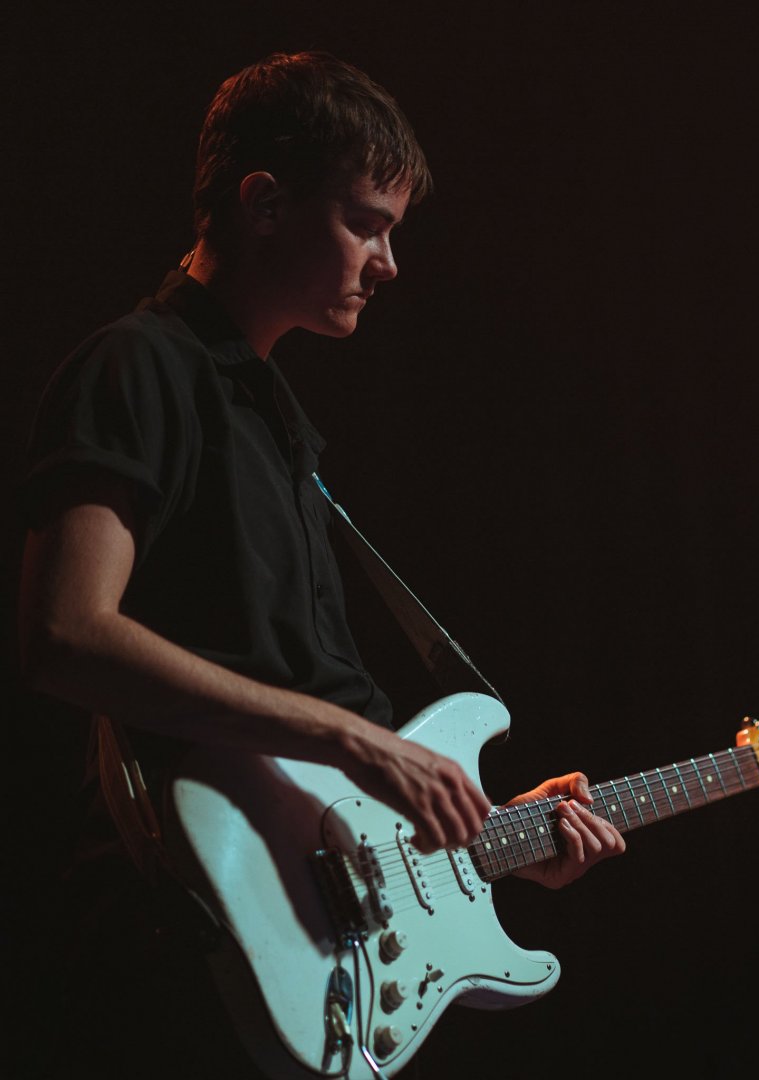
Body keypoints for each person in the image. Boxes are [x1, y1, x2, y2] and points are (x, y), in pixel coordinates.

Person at [15, 51, 626, 1079]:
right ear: (263, 202)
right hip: (185, 936)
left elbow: (320, 746)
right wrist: (358, 741)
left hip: (316, 945)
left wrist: (489, 844)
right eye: (366, 222)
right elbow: (65, 634)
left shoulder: (279, 424)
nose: (388, 263)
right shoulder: (140, 365)